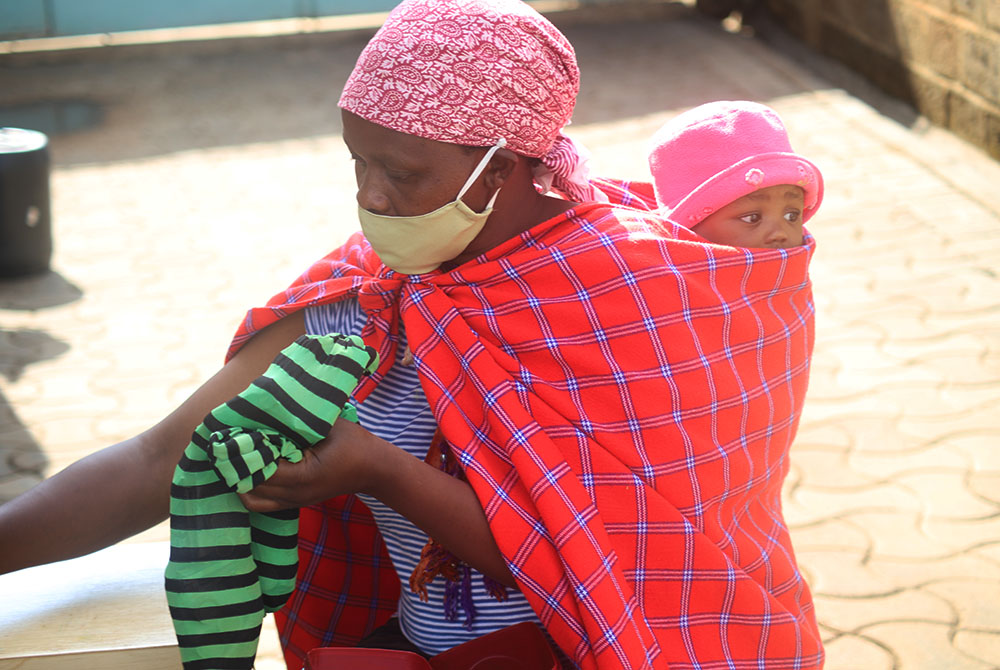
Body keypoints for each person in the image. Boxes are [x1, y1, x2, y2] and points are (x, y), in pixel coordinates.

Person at [0, 2, 824, 669]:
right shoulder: (374, 292)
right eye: (359, 163)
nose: (374, 199)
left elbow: (605, 566)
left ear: (500, 169)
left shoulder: (637, 294)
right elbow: (157, 459)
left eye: (402, 173)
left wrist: (378, 470)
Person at [647, 99, 824, 249]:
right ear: (690, 228)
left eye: (791, 216)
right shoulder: (664, 283)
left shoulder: (791, 273)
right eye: (752, 218)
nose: (780, 233)